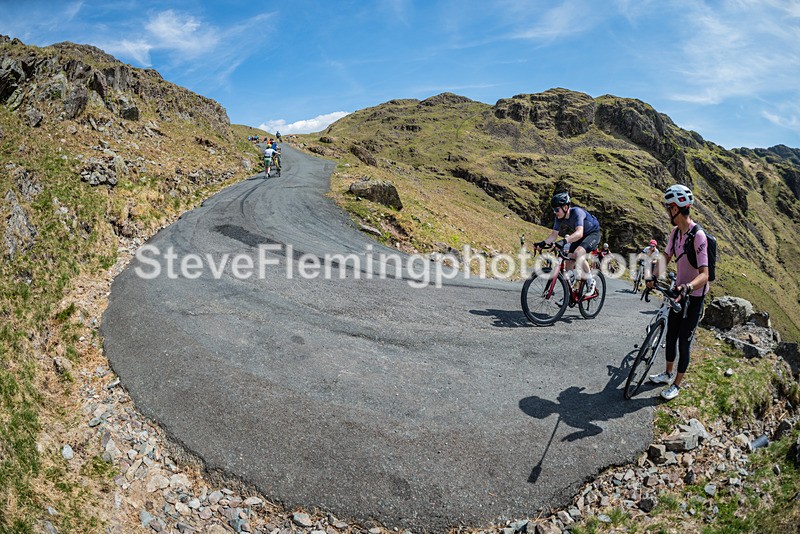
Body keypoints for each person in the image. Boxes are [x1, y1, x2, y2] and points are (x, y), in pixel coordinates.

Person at [646, 184, 710, 401]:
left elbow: (705, 274)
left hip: (694, 295)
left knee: (684, 340)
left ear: (675, 208)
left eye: (668, 207)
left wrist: (688, 287)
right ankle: (666, 373)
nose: (666, 211)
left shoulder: (698, 236)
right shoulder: (675, 233)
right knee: (671, 335)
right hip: (678, 292)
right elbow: (665, 258)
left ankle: (676, 385)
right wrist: (653, 276)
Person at [534, 191, 601, 294]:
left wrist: (564, 241)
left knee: (578, 253)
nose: (555, 212)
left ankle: (590, 280)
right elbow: (553, 235)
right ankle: (570, 294)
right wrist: (542, 243)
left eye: (557, 210)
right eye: (553, 210)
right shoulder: (558, 218)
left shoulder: (577, 212)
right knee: (568, 260)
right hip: (580, 235)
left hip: (592, 234)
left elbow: (579, 233)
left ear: (565, 207)